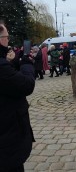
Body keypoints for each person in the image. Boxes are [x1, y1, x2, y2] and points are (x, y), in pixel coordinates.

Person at [0, 24, 35, 171]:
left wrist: (12, 63)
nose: (8, 40)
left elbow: (7, 79)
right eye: (6, 37)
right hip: (7, 135)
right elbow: (26, 85)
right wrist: (26, 64)